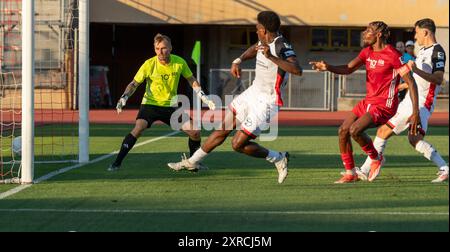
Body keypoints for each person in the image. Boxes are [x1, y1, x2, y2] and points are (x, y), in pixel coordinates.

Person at [167, 11, 302, 183]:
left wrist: (271, 57)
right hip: (252, 93)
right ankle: (192, 162)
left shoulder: (281, 45)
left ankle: (278, 158)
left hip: (268, 101)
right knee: (222, 129)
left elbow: (297, 70)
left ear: (264, 30)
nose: (256, 31)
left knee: (237, 144)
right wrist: (238, 60)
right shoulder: (263, 41)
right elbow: (255, 48)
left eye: (257, 28)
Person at [310, 21, 420, 183]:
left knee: (355, 130)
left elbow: (411, 82)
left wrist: (415, 112)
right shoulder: (367, 52)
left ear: (379, 34)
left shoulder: (394, 55)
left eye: (368, 30)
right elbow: (348, 68)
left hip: (385, 105)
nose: (364, 33)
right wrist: (328, 67)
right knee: (343, 131)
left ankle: (376, 158)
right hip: (368, 101)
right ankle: (350, 173)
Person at [357, 18, 448, 183]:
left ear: (425, 32)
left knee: (383, 131)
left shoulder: (437, 51)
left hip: (421, 103)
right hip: (412, 101)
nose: (415, 36)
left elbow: (438, 79)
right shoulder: (423, 51)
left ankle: (365, 168)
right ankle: (444, 168)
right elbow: (420, 82)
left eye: (416, 32)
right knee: (414, 139)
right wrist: (403, 86)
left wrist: (415, 70)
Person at [108, 34, 216, 171]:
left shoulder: (179, 62)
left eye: (163, 48)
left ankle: (193, 163)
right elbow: (134, 83)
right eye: (157, 48)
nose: (160, 52)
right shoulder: (149, 64)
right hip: (150, 105)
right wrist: (124, 97)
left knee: (195, 132)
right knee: (139, 128)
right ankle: (116, 163)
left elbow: (191, 79)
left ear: (170, 48)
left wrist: (203, 97)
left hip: (171, 106)